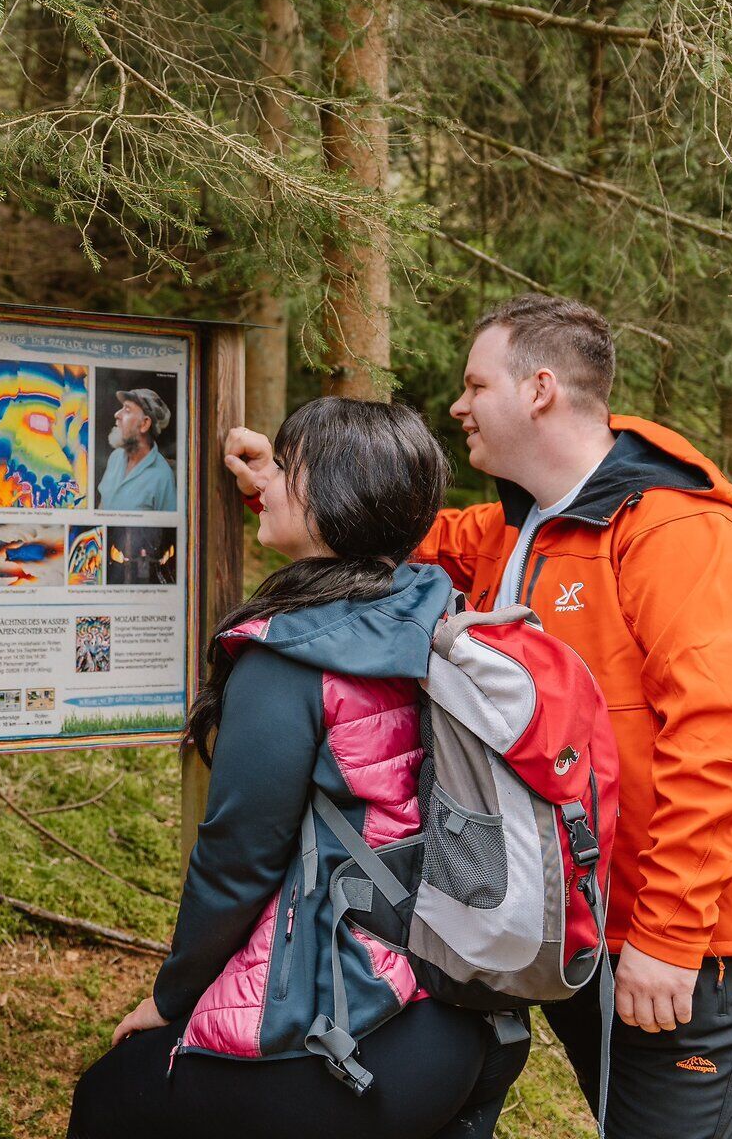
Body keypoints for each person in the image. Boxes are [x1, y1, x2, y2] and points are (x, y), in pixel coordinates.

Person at [223, 294, 732, 1139]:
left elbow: (722, 741)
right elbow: (376, 528)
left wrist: (669, 941)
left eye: (473, 384)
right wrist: (283, 480)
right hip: (570, 927)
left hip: (680, 944)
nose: (456, 406)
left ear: (537, 391)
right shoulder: (514, 531)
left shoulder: (676, 534)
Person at [69, 397, 528, 1139]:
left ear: (330, 497)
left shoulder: (290, 662)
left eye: (285, 470)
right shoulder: (431, 611)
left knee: (111, 1097)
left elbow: (236, 863)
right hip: (459, 1013)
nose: (270, 486)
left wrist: (171, 1000)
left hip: (354, 1029)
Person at [97, 387, 177, 511]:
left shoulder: (163, 476)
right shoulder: (115, 457)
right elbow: (102, 507)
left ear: (144, 424)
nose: (117, 414)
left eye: (127, 410)